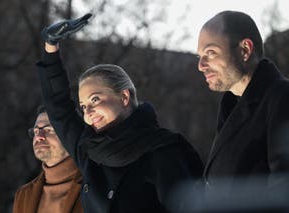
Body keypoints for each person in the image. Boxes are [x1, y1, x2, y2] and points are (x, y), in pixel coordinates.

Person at [35, 18, 204, 213]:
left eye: (95, 100)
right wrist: (50, 46)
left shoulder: (165, 151)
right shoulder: (89, 150)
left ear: (124, 97)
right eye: (83, 106)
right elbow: (59, 108)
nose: (88, 112)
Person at [197, 10, 289, 210]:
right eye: (200, 56)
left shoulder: (282, 98)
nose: (201, 65)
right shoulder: (230, 104)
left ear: (245, 50)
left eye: (210, 52)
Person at [13, 106, 83, 213]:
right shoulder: (24, 194)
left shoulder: (96, 187)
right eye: (36, 131)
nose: (39, 137)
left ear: (72, 135)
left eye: (49, 130)